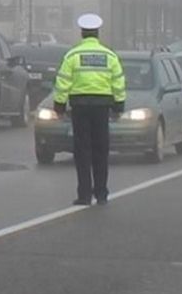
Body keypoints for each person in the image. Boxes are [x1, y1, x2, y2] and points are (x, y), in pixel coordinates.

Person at [53, 13, 127, 206]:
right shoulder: (109, 56)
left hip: (80, 106)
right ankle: (101, 193)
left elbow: (63, 82)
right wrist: (119, 106)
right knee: (101, 150)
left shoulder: (73, 55)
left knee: (82, 150)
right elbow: (118, 82)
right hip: (102, 107)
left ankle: (84, 195)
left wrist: (59, 106)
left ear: (82, 33)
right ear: (97, 33)